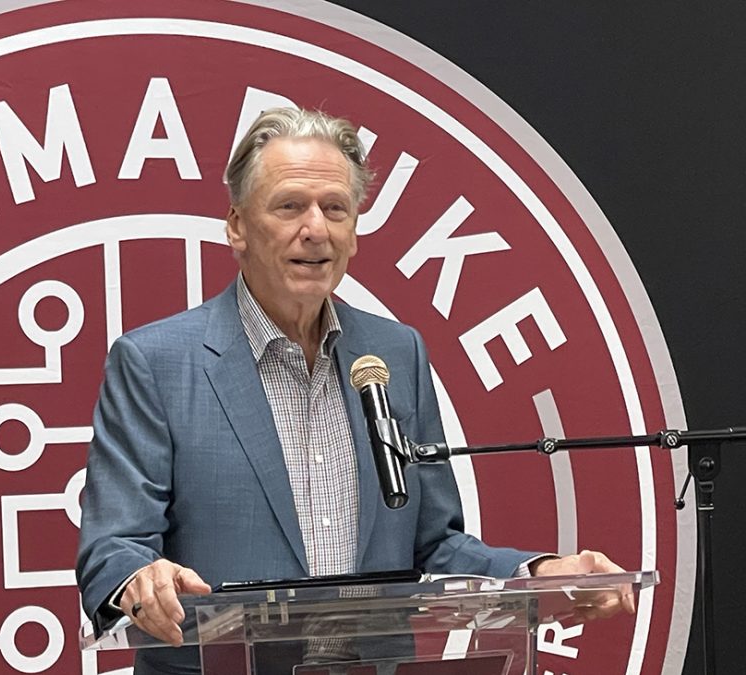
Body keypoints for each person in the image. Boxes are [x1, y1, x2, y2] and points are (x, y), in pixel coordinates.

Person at [75, 108, 633, 673]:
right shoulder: (155, 362)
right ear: (238, 226)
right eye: (290, 205)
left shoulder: (394, 354)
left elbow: (434, 546)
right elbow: (112, 549)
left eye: (335, 209)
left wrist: (536, 575)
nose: (315, 229)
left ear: (354, 232)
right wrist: (139, 580)